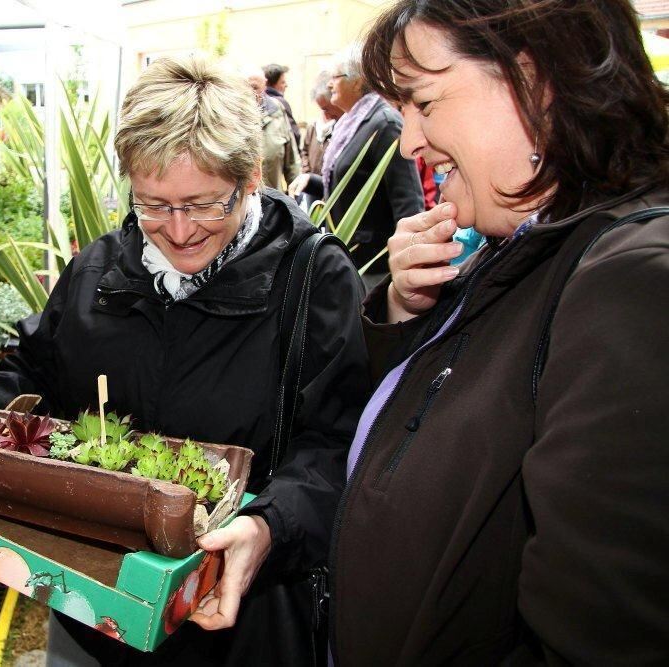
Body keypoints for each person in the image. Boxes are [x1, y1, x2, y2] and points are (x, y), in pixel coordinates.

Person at [211, 0, 669, 663]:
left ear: (533, 84)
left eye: (424, 102)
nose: (409, 141)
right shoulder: (527, 240)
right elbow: (440, 429)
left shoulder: (632, 284)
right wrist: (403, 306)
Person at [0, 55, 370, 666]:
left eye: (203, 204)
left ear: (249, 181)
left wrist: (270, 525)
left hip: (239, 620)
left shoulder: (313, 280)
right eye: (153, 205)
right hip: (93, 607)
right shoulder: (100, 268)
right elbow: (33, 371)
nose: (179, 230)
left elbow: (336, 443)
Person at [299, 47, 424, 279]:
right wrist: (312, 181)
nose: (329, 85)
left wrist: (408, 264)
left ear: (357, 82)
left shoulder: (384, 124)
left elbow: (407, 200)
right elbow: (350, 184)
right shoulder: (350, 124)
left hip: (374, 265)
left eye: (335, 77)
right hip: (348, 257)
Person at [288, 73, 342, 208]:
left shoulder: (342, 128)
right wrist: (307, 173)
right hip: (314, 184)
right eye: (322, 109)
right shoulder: (313, 126)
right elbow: (304, 149)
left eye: (327, 108)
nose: (326, 114)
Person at [247, 67, 300, 190]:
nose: (249, 93)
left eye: (254, 88)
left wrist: (296, 194)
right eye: (244, 88)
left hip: (273, 200)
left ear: (264, 86)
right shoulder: (229, 116)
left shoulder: (277, 111)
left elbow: (292, 161)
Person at [263, 62, 301, 150]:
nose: (286, 85)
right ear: (273, 83)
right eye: (283, 82)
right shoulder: (280, 103)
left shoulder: (260, 100)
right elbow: (295, 134)